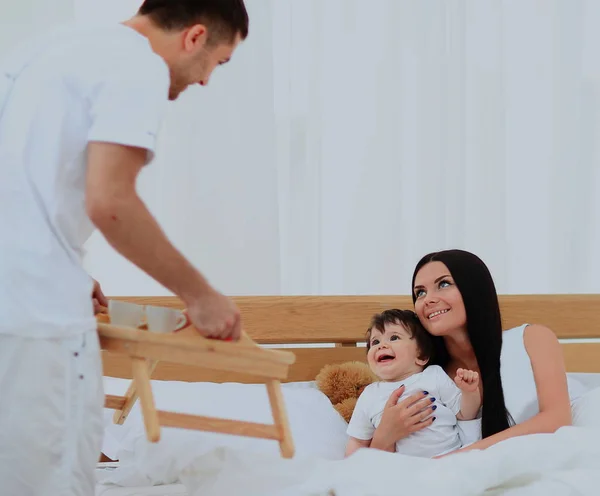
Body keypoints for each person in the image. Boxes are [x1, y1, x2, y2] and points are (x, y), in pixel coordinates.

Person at [0, 0, 249, 494]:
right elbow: (110, 201)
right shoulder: (138, 65)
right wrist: (201, 297)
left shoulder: (46, 50)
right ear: (195, 37)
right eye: (217, 63)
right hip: (36, 320)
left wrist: (65, 263)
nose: (205, 82)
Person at [366, 249, 585, 456]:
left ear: (474, 289)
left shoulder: (532, 339)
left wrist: (460, 458)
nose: (428, 299)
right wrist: (385, 435)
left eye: (443, 284)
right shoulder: (425, 375)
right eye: (420, 292)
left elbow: (557, 419)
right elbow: (373, 465)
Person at [345, 309, 481, 458]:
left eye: (394, 337)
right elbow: (358, 442)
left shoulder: (433, 376)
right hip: (403, 471)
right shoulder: (369, 395)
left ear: (421, 356)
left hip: (448, 459)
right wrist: (351, 469)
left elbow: (465, 414)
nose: (381, 345)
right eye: (375, 341)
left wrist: (469, 392)